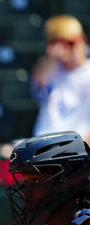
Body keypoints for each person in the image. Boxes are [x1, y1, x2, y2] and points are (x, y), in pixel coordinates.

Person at [31, 15, 90, 144]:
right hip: (44, 143)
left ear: (83, 40)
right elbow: (39, 83)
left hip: (79, 147)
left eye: (70, 43)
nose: (65, 49)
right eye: (56, 43)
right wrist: (52, 58)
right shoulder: (50, 69)